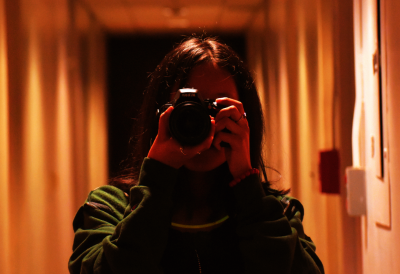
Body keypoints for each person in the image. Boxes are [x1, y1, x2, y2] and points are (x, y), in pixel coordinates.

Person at [68, 36, 324, 274]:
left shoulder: (276, 214)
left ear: (247, 119)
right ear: (161, 115)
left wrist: (248, 187)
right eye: (188, 109)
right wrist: (156, 181)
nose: (204, 123)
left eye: (218, 107)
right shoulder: (109, 208)